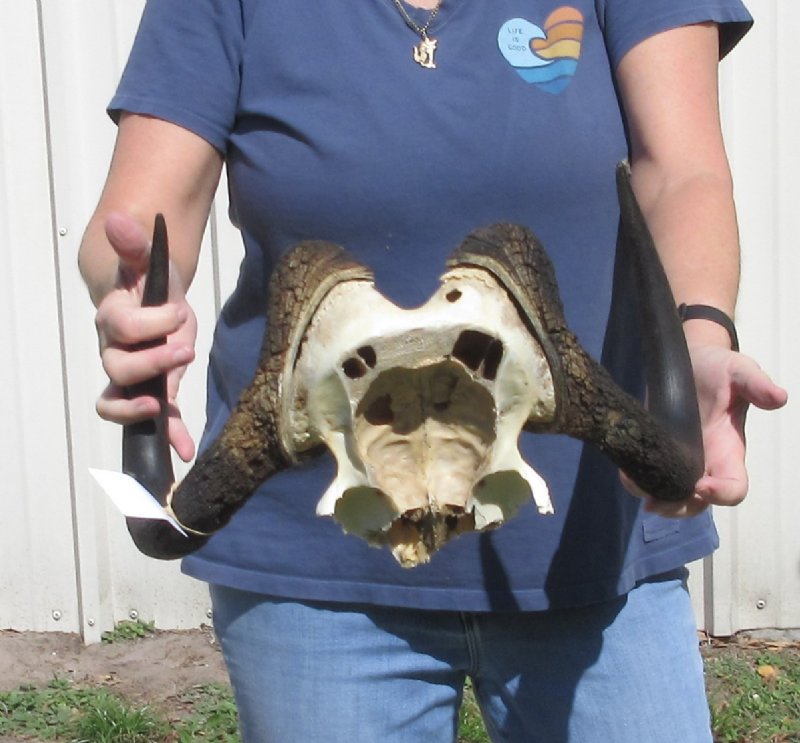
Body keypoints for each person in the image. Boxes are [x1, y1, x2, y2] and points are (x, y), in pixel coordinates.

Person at [79, 1, 788, 741]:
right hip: (316, 561)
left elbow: (682, 174)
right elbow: (142, 217)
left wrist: (701, 336)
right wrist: (131, 297)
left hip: (591, 536)